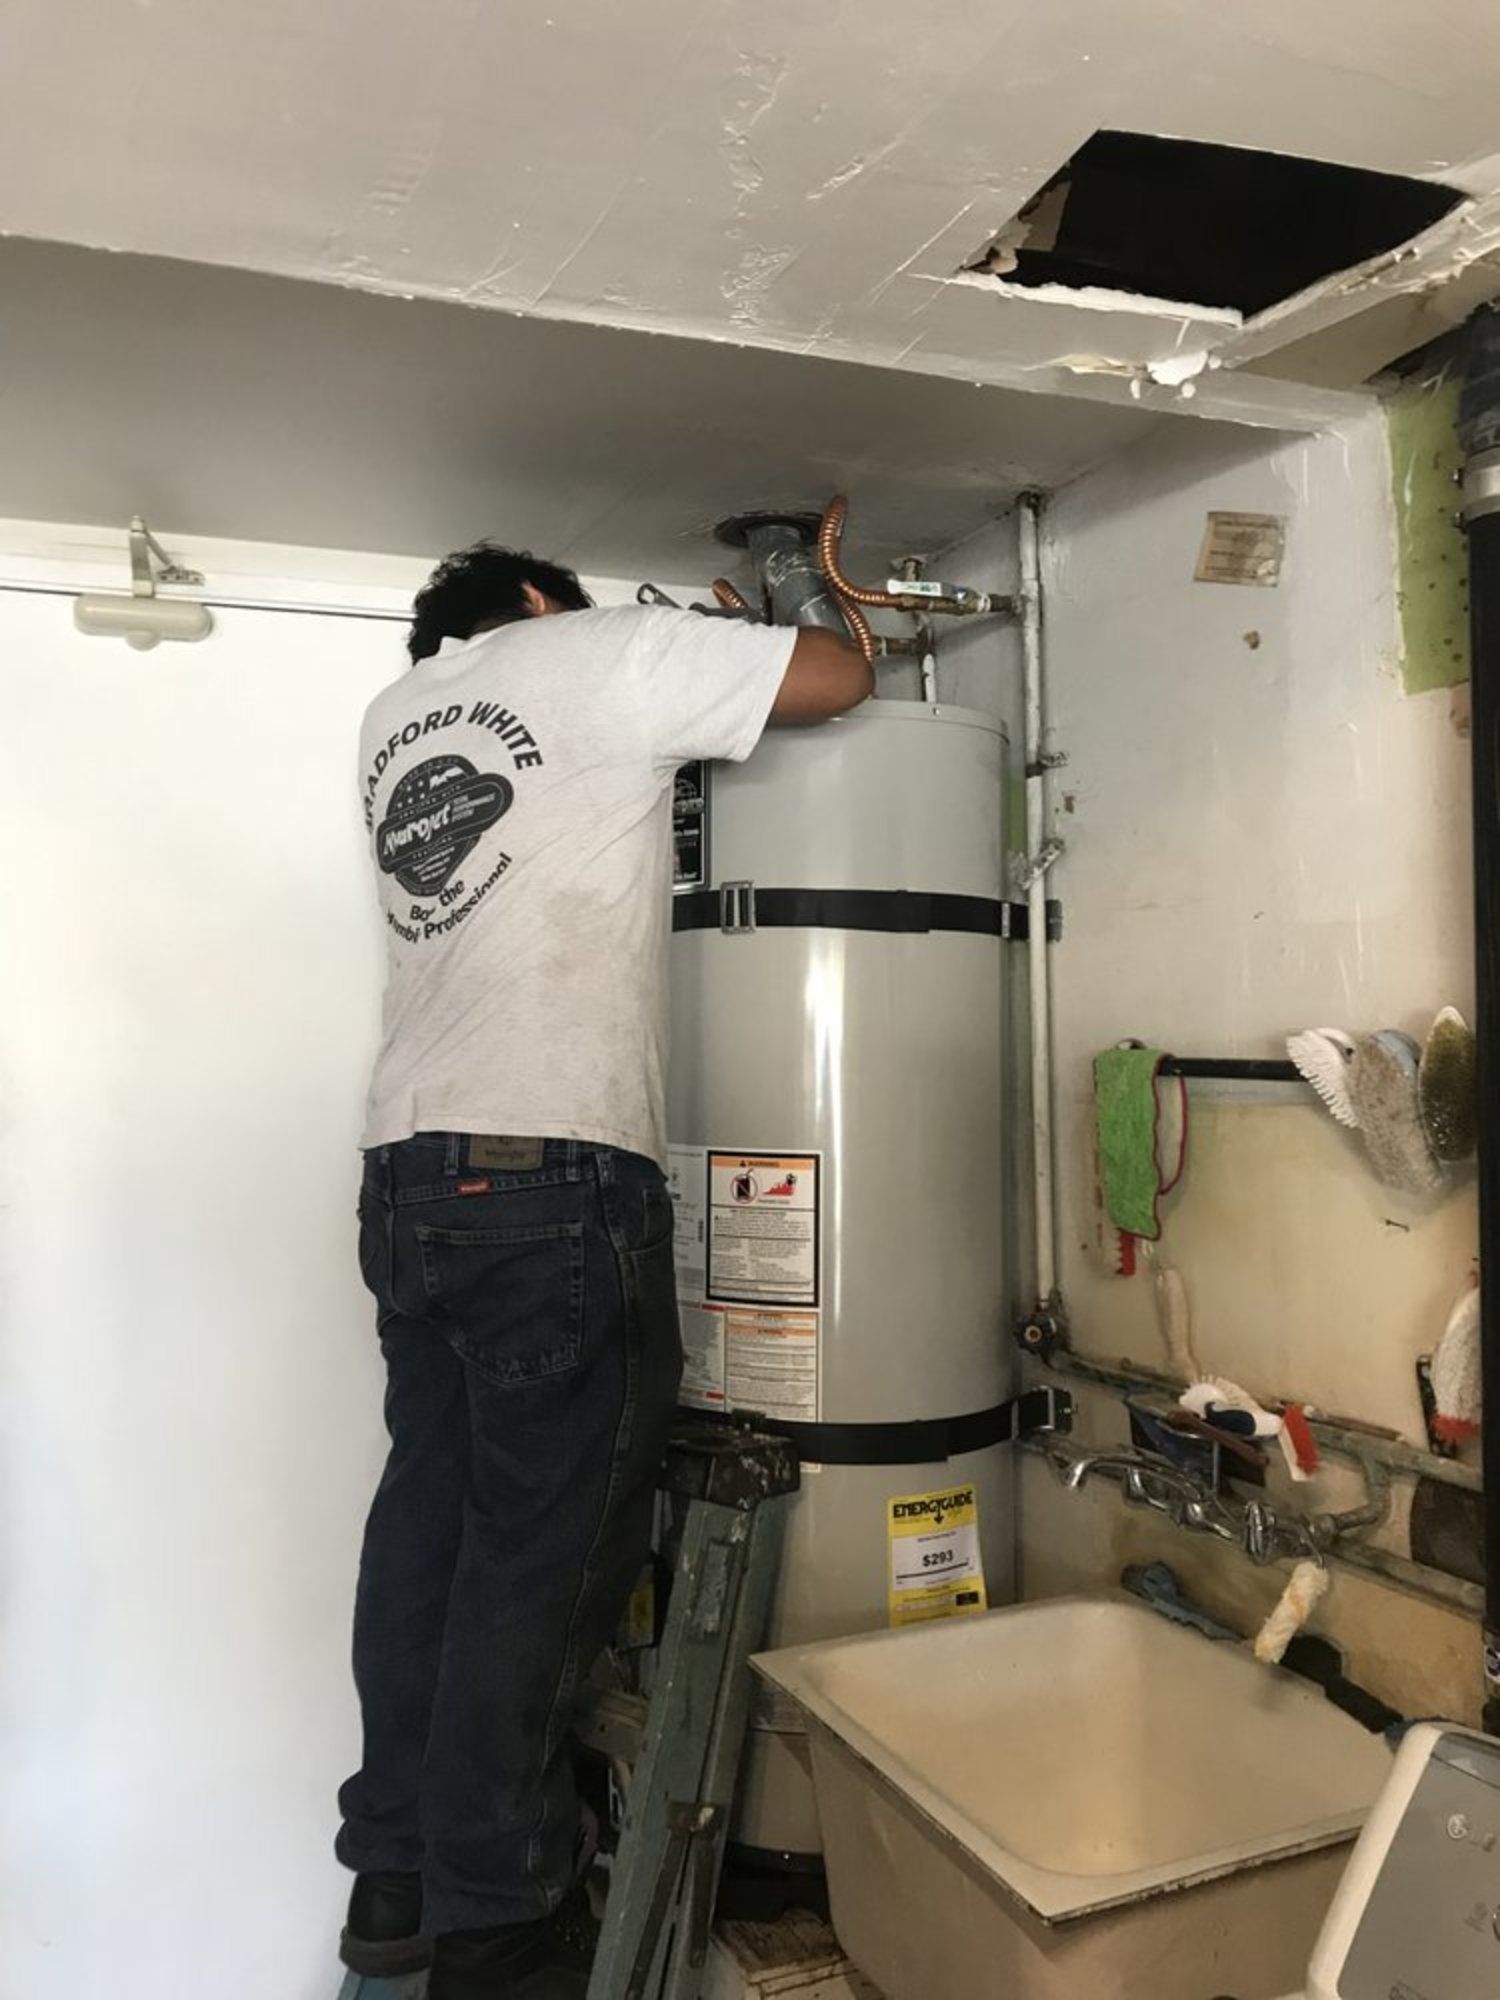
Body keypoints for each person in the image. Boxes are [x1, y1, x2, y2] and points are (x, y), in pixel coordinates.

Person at [336, 542, 871, 1999]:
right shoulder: (597, 650)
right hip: (552, 1174)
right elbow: (840, 679)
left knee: (430, 1525)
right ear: (533, 602)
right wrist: (795, 596)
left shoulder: (396, 718)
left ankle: (393, 1869)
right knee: (550, 1547)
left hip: (412, 1172)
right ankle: (503, 1919)